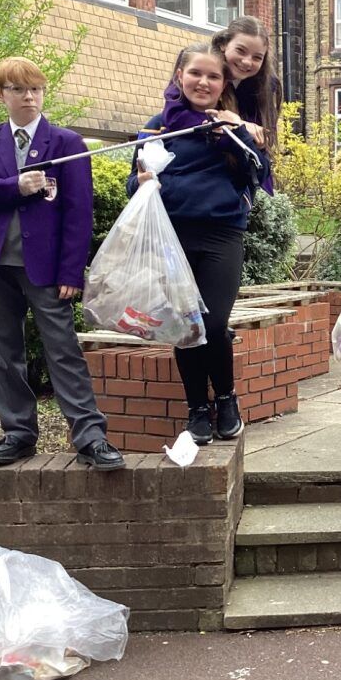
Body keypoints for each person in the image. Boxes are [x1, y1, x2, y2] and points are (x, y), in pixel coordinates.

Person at [0, 57, 124, 470]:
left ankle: (90, 436)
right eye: (18, 89)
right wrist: (14, 185)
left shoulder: (66, 143)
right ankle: (18, 434)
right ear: (1, 96)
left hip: (48, 268)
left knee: (63, 350)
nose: (29, 96)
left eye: (36, 89)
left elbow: (78, 212)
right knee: (2, 353)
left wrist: (72, 271)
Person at [127, 43, 269, 446]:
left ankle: (226, 398)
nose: (203, 82)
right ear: (179, 76)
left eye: (213, 76)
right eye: (196, 74)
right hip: (172, 237)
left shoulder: (230, 126)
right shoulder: (156, 128)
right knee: (185, 328)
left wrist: (238, 136)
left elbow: (256, 175)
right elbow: (131, 185)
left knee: (213, 323)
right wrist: (138, 183)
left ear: (224, 83)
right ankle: (198, 410)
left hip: (222, 235)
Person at [211, 16, 279, 191]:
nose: (247, 61)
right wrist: (233, 123)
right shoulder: (202, 71)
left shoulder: (263, 88)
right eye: (241, 50)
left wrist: (239, 127)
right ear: (224, 44)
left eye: (257, 57)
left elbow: (260, 152)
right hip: (207, 178)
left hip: (240, 190)